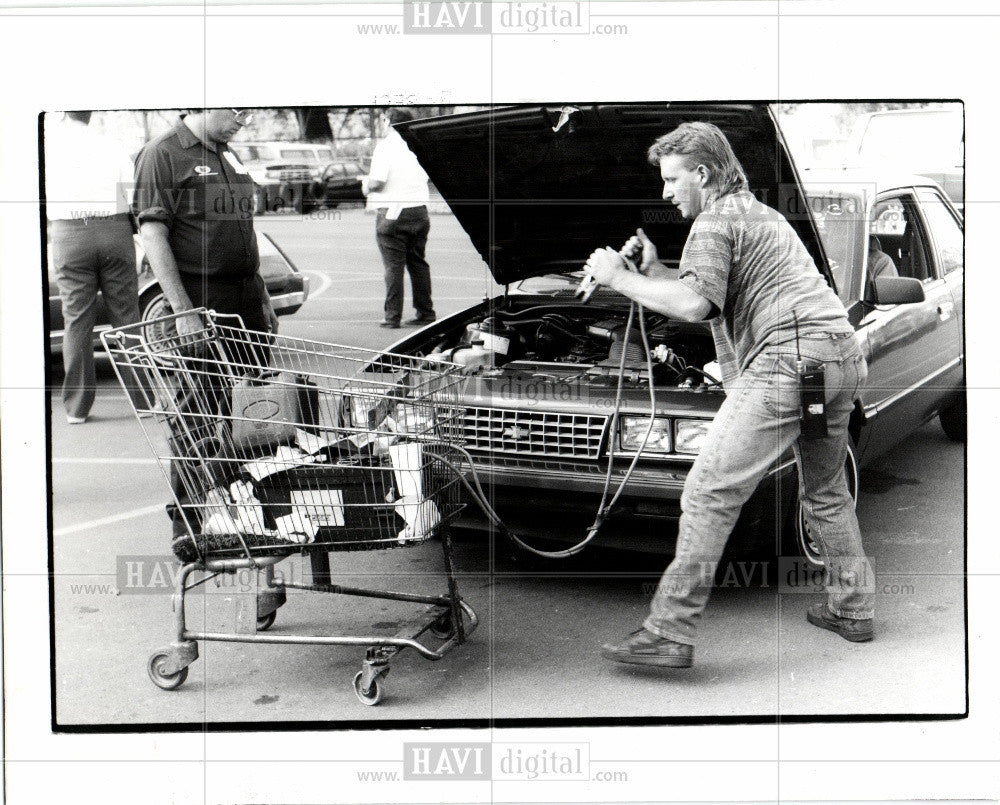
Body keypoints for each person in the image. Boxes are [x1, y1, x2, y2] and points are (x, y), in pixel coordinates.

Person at [586, 122, 875, 668]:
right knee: (826, 488)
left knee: (707, 491)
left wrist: (617, 278)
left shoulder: (714, 221)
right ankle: (853, 608)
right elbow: (710, 293)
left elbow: (695, 308)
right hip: (833, 362)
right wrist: (654, 272)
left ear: (702, 173)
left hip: (791, 363)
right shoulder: (755, 213)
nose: (665, 193)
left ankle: (668, 630)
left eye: (672, 179)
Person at [132, 108, 278, 551]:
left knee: (257, 418)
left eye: (250, 113)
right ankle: (190, 528)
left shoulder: (226, 155)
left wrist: (264, 300)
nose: (244, 120)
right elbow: (153, 235)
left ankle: (253, 518)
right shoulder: (162, 154)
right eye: (236, 110)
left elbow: (244, 232)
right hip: (201, 301)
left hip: (245, 304)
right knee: (197, 419)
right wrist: (183, 311)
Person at [46, 111, 149, 424]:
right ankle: (143, 399)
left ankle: (77, 408)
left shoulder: (49, 145)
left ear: (62, 113)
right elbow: (129, 194)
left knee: (77, 320)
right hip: (115, 230)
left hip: (69, 232)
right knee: (126, 317)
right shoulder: (110, 145)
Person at [364, 108, 435, 329]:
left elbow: (377, 183)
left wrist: (365, 187)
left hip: (392, 210)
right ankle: (425, 312)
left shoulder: (386, 147)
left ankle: (392, 316)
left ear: (389, 122)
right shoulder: (419, 144)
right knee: (418, 263)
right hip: (419, 209)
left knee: (394, 267)